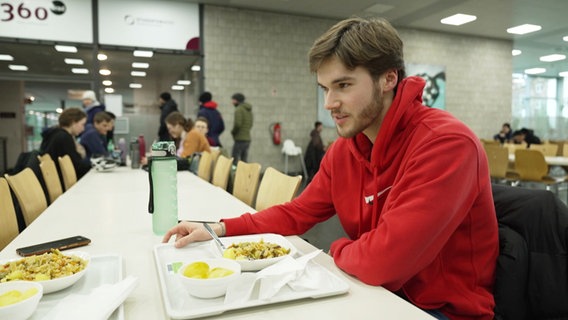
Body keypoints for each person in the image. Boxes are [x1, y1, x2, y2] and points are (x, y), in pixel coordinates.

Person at [163, 17, 498, 319]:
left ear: (388, 79)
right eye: (325, 88)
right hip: (373, 292)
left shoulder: (446, 143)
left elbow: (383, 263)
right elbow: (298, 213)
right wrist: (218, 229)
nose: (329, 104)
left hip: (439, 309)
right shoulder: (344, 151)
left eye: (344, 85)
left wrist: (337, 248)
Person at [40, 108, 91, 180]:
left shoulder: (53, 134)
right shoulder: (64, 137)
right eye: (82, 124)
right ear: (73, 122)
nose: (83, 129)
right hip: (62, 181)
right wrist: (93, 164)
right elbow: (77, 167)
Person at [230, 92, 253, 166]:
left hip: (240, 139)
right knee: (244, 160)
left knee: (235, 160)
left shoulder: (239, 109)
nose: (232, 102)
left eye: (233, 100)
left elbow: (237, 124)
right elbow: (250, 124)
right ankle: (244, 176)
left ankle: (234, 176)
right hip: (247, 139)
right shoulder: (249, 110)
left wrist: (233, 132)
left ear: (237, 100)